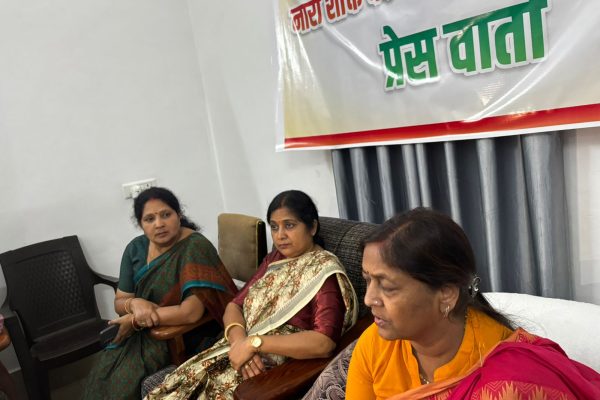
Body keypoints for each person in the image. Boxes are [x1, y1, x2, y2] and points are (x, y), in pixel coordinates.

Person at [344, 208, 600, 400]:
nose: (368, 299)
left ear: (446, 294)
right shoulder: (373, 346)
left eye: (387, 287)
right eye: (368, 280)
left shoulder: (505, 377)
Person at [145, 190, 358, 400]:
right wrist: (239, 342)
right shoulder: (275, 259)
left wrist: (254, 343)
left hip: (270, 370)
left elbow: (323, 343)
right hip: (235, 352)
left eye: (289, 225)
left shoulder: (324, 272)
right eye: (274, 227)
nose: (280, 235)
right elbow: (234, 306)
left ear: (312, 227)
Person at [83, 187, 238, 399]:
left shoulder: (195, 247)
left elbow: (190, 313)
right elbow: (120, 301)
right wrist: (134, 304)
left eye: (166, 215)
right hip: (141, 333)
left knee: (122, 384)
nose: (159, 224)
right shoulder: (135, 249)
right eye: (149, 219)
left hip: (181, 334)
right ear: (140, 224)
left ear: (179, 215)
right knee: (103, 372)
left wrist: (136, 320)